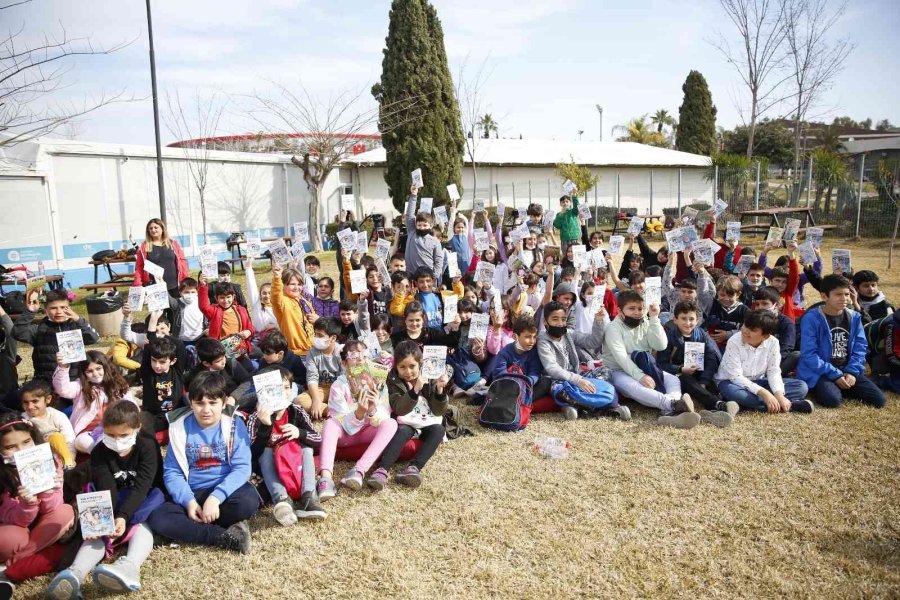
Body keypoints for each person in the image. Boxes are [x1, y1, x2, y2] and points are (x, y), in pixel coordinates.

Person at [46, 401, 163, 598]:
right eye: (111, 435)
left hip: (144, 494)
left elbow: (143, 484)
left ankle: (129, 566)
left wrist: (123, 516)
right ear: (103, 430)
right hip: (111, 495)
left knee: (142, 523)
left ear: (138, 428)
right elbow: (106, 486)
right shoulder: (100, 451)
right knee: (98, 531)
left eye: (124, 435)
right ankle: (74, 573)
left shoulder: (147, 445)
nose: (117, 441)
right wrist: (103, 520)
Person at [147, 372, 260, 554]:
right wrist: (189, 502)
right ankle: (220, 536)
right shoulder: (179, 427)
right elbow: (172, 472)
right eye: (199, 403)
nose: (206, 409)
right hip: (193, 491)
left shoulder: (233, 424)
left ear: (223, 403)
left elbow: (242, 467)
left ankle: (193, 527)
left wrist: (216, 498)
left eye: (213, 403)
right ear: (191, 403)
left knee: (248, 501)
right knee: (159, 518)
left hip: (226, 492)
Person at [0, 414, 75, 598]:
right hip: (15, 526)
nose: (20, 450)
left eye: (26, 442)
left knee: (65, 512)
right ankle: (23, 562)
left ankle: (8, 566)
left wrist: (49, 491)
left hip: (43, 526)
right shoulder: (3, 473)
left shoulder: (51, 459)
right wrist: (27, 504)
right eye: (10, 447)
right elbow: (10, 518)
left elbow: (53, 508)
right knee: (7, 538)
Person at [603, 291, 698, 428]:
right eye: (631, 309)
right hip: (618, 370)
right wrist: (640, 376)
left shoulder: (646, 322)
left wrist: (654, 318)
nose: (637, 312)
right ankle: (672, 404)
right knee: (634, 387)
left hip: (644, 366)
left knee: (673, 379)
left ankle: (670, 411)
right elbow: (621, 357)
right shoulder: (613, 328)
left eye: (640, 309)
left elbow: (660, 345)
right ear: (619, 311)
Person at [315, 341, 398, 500]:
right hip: (346, 436)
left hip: (368, 431)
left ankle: (358, 471)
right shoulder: (338, 386)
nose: (360, 360)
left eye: (364, 356)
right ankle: (326, 478)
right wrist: (359, 413)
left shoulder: (379, 382)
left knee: (391, 424)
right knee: (330, 424)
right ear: (345, 363)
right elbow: (339, 418)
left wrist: (373, 409)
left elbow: (385, 414)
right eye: (354, 356)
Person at [246, 366, 324, 526]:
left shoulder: (296, 411)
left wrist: (300, 434)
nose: (283, 392)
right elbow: (251, 454)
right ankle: (282, 501)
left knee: (306, 448)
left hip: (295, 466)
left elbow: (318, 441)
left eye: (287, 387)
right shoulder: (256, 417)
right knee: (266, 452)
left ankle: (309, 496)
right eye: (276, 389)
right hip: (270, 471)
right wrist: (266, 426)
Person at [366, 341, 448, 490]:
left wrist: (440, 391)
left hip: (428, 422)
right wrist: (414, 391)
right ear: (396, 367)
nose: (408, 372)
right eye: (402, 367)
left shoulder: (431, 374)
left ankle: (414, 468)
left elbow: (438, 411)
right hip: (407, 421)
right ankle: (382, 470)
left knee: (439, 430)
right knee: (403, 430)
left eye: (412, 366)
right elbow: (399, 409)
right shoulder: (392, 379)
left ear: (420, 364)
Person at [797, 275, 886, 409]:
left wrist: (852, 371)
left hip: (846, 368)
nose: (844, 298)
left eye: (846, 294)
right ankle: (826, 386)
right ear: (824, 296)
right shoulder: (811, 318)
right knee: (832, 400)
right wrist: (835, 375)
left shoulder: (854, 316)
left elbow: (860, 346)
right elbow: (809, 355)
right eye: (838, 294)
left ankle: (843, 384)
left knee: (879, 400)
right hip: (820, 370)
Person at [539, 300, 628, 421]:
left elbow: (592, 342)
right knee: (558, 392)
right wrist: (578, 381)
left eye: (563, 319)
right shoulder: (543, 341)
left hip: (578, 376)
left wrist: (598, 321)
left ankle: (577, 405)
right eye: (555, 319)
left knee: (605, 371)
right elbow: (552, 369)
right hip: (559, 382)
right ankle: (599, 405)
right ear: (545, 322)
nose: (560, 323)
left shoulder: (568, 334)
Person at [715, 310, 812, 413]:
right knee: (733, 392)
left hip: (759, 381)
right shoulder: (734, 341)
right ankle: (790, 406)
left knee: (801, 387)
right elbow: (735, 377)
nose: (745, 331)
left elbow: (773, 371)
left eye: (753, 330)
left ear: (765, 336)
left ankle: (746, 404)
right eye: (745, 325)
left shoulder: (773, 342)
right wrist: (765, 393)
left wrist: (778, 394)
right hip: (731, 383)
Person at [657, 301, 736, 427]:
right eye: (683, 318)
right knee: (687, 380)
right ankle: (718, 405)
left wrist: (704, 380)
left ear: (697, 320)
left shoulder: (702, 335)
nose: (688, 323)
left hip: (700, 373)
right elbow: (661, 364)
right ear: (675, 320)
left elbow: (711, 358)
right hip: (679, 375)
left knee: (710, 385)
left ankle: (712, 412)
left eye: (691, 319)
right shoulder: (668, 337)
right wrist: (681, 368)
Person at [53, 350, 136, 454]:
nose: (95, 374)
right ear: (84, 373)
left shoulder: (118, 385)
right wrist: (63, 367)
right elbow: (62, 389)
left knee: (124, 440)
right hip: (88, 431)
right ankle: (103, 455)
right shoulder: (81, 387)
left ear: (105, 367)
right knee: (83, 443)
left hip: (115, 429)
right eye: (89, 371)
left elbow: (131, 405)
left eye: (98, 368)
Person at [13, 289, 100, 383]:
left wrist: (78, 320)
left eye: (63, 307)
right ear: (46, 310)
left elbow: (93, 338)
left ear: (69, 307)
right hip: (47, 381)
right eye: (53, 308)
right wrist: (30, 312)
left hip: (74, 380)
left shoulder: (75, 325)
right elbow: (18, 333)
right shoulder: (39, 328)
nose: (59, 311)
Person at [19, 379, 75, 469]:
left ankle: (68, 466)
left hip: (62, 455)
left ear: (48, 399)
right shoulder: (23, 419)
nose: (30, 406)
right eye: (26, 402)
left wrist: (70, 458)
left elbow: (70, 440)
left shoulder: (58, 415)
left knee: (56, 437)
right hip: (39, 458)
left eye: (35, 401)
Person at [491, 315, 550, 398]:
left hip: (526, 387)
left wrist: (528, 382)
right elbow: (499, 375)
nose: (532, 341)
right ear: (515, 337)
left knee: (546, 382)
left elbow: (535, 372)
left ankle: (521, 401)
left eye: (534, 337)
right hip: (508, 387)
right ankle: (520, 402)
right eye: (527, 337)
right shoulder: (504, 353)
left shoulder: (534, 352)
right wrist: (514, 385)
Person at [297, 317, 344, 419]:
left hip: (339, 388)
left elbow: (344, 379)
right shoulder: (312, 352)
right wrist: (316, 400)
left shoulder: (341, 352)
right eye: (315, 334)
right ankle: (332, 410)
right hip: (321, 388)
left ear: (333, 338)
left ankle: (335, 409)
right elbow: (312, 377)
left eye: (320, 336)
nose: (316, 338)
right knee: (299, 401)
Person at [198, 276, 255, 358]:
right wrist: (203, 286)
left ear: (233, 296)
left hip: (241, 347)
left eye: (228, 297)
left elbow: (250, 326)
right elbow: (203, 306)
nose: (225, 301)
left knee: (251, 366)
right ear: (216, 298)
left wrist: (249, 332)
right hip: (222, 351)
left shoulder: (241, 310)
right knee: (234, 367)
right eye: (222, 298)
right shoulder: (214, 311)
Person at [132, 218, 189, 295]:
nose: (153, 230)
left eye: (156, 227)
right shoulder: (144, 247)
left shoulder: (173, 243)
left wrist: (185, 279)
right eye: (150, 228)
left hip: (175, 285)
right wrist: (137, 284)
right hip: (154, 287)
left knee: (177, 307)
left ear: (162, 229)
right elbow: (139, 267)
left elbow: (182, 261)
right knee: (160, 308)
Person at [270, 263, 316, 356]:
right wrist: (277, 277)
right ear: (283, 285)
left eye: (299, 284)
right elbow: (275, 295)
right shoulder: (282, 302)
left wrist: (317, 319)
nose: (296, 287)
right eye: (292, 284)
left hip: (312, 349)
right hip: (296, 353)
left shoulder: (303, 300)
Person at [141, 336, 184, 434]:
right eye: (154, 360)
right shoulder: (148, 373)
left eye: (162, 362)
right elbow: (149, 346)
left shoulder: (177, 372)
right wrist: (152, 338)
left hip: (175, 415)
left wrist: (164, 335)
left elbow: (180, 344)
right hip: (153, 416)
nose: (157, 365)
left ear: (172, 361)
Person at [752, 287, 799, 375]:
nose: (760, 307)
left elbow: (786, 349)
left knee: (796, 356)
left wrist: (770, 364)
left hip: (776, 363)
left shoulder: (786, 323)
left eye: (765, 304)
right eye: (757, 304)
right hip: (753, 361)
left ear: (776, 305)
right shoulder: (752, 320)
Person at [405, 186, 444, 279]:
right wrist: (414, 195)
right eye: (419, 225)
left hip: (426, 277)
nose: (422, 228)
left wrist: (434, 276)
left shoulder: (435, 242)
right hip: (411, 275)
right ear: (415, 224)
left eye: (425, 225)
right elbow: (410, 215)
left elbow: (439, 260)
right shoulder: (412, 232)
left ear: (431, 225)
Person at [706, 275, 749, 349]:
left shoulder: (744, 310)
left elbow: (750, 331)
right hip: (714, 346)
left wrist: (728, 334)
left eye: (730, 295)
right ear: (717, 293)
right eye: (722, 295)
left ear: (738, 294)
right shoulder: (714, 306)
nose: (726, 298)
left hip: (737, 348)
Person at [244, 261, 279, 335]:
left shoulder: (278, 307)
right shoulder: (257, 306)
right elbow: (252, 287)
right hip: (260, 340)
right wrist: (249, 268)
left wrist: (275, 325)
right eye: (264, 293)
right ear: (260, 295)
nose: (267, 296)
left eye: (270, 293)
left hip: (278, 338)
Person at [176, 277, 206, 345]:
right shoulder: (178, 303)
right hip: (182, 340)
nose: (190, 295)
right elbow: (168, 298)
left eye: (193, 292)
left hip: (200, 337)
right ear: (180, 292)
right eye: (186, 292)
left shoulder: (201, 301)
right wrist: (160, 282)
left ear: (197, 292)